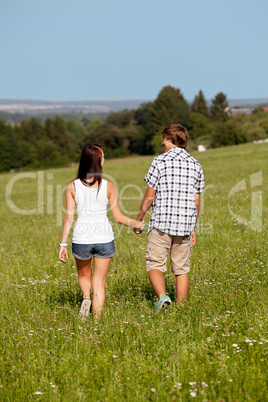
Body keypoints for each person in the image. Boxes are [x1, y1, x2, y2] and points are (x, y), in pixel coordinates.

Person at [59, 144, 144, 319]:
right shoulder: (108, 186)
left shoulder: (72, 186)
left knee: (84, 276)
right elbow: (119, 217)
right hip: (104, 239)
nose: (104, 159)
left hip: (81, 239)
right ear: (98, 161)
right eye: (103, 156)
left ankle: (85, 298)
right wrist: (139, 224)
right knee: (99, 282)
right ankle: (97, 321)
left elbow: (69, 218)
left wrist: (62, 244)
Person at [135, 124, 205, 308]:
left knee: (155, 264)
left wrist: (140, 217)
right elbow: (197, 202)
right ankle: (181, 307)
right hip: (184, 226)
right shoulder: (196, 164)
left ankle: (163, 297)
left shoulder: (160, 161)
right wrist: (193, 229)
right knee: (181, 269)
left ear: (170, 139)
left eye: (164, 139)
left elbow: (150, 195)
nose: (162, 142)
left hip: (161, 224)